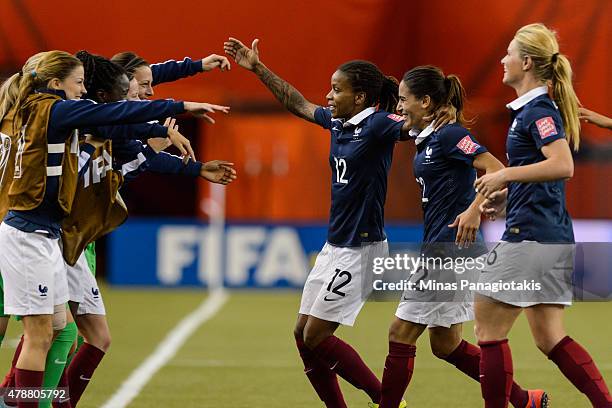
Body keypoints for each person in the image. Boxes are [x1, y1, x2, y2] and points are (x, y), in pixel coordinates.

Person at [224, 37, 455, 408]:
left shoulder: (379, 124)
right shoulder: (338, 123)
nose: (328, 96)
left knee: (316, 334)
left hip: (362, 249)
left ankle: (384, 399)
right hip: (335, 246)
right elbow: (297, 103)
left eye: (337, 89)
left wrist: (438, 115)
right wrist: (257, 68)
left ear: (360, 96)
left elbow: (413, 124)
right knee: (301, 335)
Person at [0, 50, 228, 407]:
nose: (83, 89)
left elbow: (125, 108)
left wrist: (188, 78)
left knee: (61, 332)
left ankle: (27, 398)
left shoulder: (62, 111)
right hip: (28, 233)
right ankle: (17, 399)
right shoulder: (56, 110)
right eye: (78, 84)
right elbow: (118, 112)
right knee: (41, 334)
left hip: (52, 233)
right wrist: (179, 106)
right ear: (57, 83)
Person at [378, 65, 546, 408]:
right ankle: (524, 399)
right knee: (445, 343)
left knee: (400, 333)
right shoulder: (428, 136)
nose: (398, 107)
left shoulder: (448, 135)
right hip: (448, 250)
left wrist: (474, 209)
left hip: (449, 251)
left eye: (403, 100)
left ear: (425, 102)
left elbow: (496, 168)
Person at [474, 23, 612, 408]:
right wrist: (507, 198)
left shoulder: (537, 112)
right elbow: (545, 176)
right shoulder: (535, 111)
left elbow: (562, 165)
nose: (503, 59)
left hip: (529, 237)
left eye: (509, 53)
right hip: (548, 232)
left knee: (486, 326)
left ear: (528, 62)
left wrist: (504, 174)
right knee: (549, 337)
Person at [111, 51, 230, 100]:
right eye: (144, 84)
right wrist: (184, 107)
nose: (151, 93)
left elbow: (159, 72)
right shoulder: (102, 118)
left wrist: (197, 65)